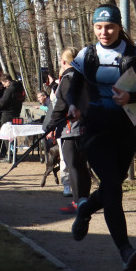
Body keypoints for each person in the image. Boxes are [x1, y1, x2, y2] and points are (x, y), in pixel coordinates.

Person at [66, 5, 136, 271]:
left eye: (109, 27)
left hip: (124, 131)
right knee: (113, 188)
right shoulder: (88, 54)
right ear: (93, 28)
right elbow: (74, 89)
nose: (104, 32)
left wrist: (132, 97)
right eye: (98, 27)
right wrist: (73, 106)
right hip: (94, 130)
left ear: (119, 27)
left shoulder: (134, 53)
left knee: (112, 186)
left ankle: (84, 210)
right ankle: (125, 251)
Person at [43, 47, 90, 212]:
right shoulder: (82, 77)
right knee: (80, 165)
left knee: (74, 165)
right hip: (82, 126)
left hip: (71, 128)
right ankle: (83, 201)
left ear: (63, 62)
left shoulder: (68, 78)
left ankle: (79, 202)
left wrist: (49, 127)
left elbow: (60, 106)